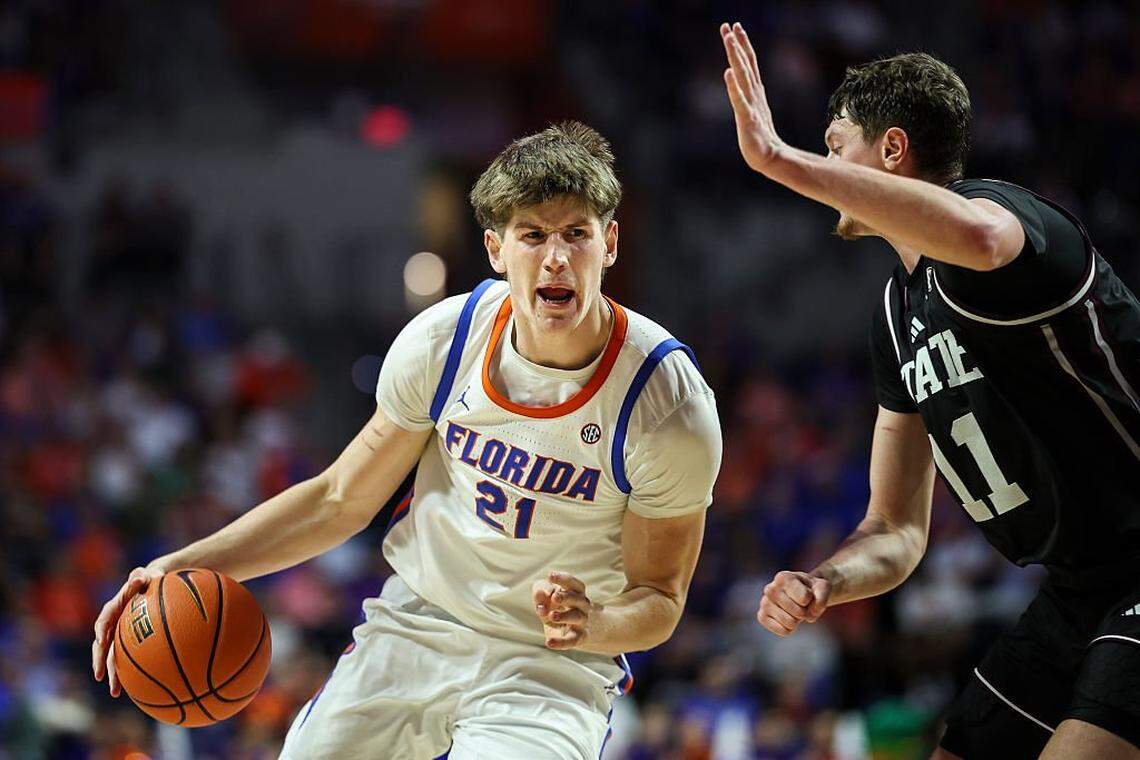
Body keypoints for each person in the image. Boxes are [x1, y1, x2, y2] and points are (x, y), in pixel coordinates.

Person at [91, 121, 723, 759]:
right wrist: (181, 565)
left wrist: (599, 622)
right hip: (417, 622)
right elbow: (339, 499)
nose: (555, 257)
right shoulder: (443, 343)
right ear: (497, 250)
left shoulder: (666, 406)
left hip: (551, 665)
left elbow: (661, 599)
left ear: (609, 243)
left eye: (575, 234)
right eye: (532, 235)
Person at [719, 21, 1140, 760]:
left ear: (890, 151)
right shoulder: (894, 312)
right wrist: (824, 582)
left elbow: (977, 241)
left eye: (834, 142)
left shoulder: (1006, 220)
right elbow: (896, 530)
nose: (826, 164)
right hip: (1080, 587)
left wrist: (779, 159)